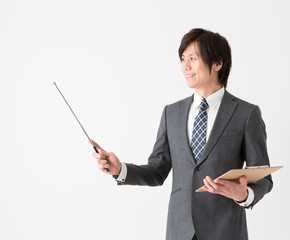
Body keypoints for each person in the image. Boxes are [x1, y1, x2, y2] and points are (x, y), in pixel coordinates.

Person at [91, 28, 273, 240]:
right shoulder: (171, 113)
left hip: (225, 231)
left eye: (193, 58)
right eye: (183, 58)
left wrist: (245, 195)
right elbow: (156, 171)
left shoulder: (246, 114)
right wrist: (120, 169)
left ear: (217, 63)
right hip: (179, 232)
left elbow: (263, 177)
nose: (185, 66)